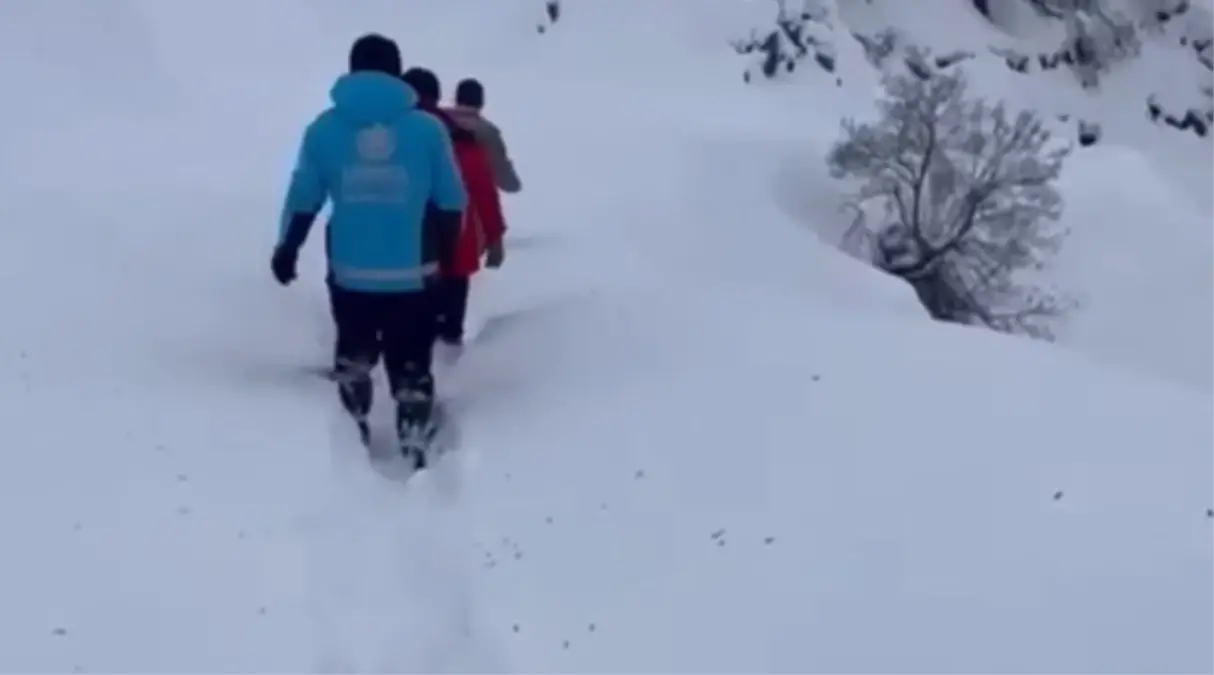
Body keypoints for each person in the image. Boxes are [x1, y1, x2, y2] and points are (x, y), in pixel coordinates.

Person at [270, 34, 467, 465]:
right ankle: (413, 426)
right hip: (415, 274)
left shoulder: (323, 129)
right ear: (397, 73)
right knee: (412, 355)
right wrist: (449, 254)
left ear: (352, 70)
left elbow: (305, 196)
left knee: (355, 350)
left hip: (350, 272)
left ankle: (353, 420)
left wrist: (288, 247)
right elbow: (452, 199)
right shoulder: (427, 129)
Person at [402, 67, 507, 361]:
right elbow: (484, 190)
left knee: (409, 327)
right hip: (455, 253)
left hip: (403, 254)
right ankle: (444, 382)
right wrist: (495, 236)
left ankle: (410, 378)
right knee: (448, 333)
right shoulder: (460, 139)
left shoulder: (385, 137)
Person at [445, 78, 523, 194]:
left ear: (456, 99)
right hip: (469, 202)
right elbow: (509, 183)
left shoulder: (437, 121)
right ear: (481, 102)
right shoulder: (488, 132)